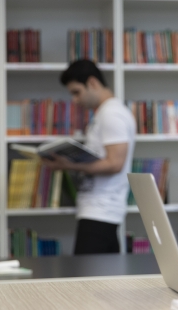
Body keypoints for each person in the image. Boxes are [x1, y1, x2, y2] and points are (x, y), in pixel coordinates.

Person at [42, 59, 136, 254]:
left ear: (92, 83)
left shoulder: (112, 114)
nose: (75, 100)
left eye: (77, 92)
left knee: (87, 279)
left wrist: (69, 165)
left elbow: (115, 163)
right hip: (97, 210)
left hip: (101, 211)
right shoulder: (104, 114)